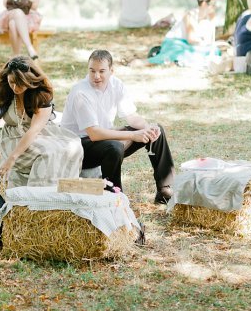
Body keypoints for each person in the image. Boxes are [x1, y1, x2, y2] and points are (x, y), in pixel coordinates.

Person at [61, 49, 175, 204]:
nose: (96, 76)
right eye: (92, 71)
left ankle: (165, 190)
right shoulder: (81, 92)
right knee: (113, 147)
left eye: (102, 71)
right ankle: (115, 199)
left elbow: (132, 117)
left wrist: (147, 129)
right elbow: (94, 134)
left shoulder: (116, 85)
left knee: (157, 130)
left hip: (103, 138)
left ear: (111, 71)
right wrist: (133, 136)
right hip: (79, 148)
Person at [0, 56, 83, 188]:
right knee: (47, 153)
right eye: (12, 82)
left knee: (72, 147)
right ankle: (33, 197)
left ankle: (55, 192)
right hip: (13, 136)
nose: (15, 87)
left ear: (29, 80)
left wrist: (13, 158)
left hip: (39, 133)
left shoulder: (41, 95)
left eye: (20, 84)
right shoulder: (4, 90)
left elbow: (34, 130)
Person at [148, 0, 219, 66]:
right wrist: (204, 42)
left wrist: (212, 21)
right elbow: (191, 39)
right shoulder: (190, 15)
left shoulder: (206, 19)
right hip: (176, 43)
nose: (215, 8)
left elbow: (211, 40)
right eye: (213, 5)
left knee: (215, 51)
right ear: (204, 4)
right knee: (184, 54)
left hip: (192, 45)